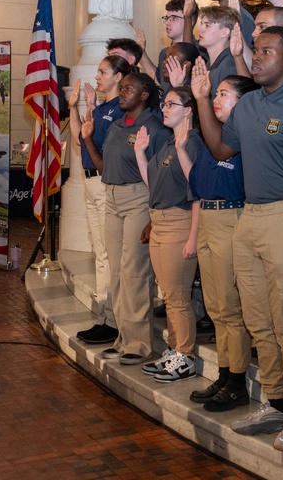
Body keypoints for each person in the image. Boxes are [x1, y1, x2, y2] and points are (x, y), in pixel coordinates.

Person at [192, 27, 283, 453]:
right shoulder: (249, 106)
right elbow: (222, 151)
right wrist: (203, 99)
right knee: (258, 320)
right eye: (255, 51)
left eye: (266, 51)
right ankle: (275, 402)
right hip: (251, 216)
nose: (256, 58)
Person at [81, 72, 169, 366]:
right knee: (117, 271)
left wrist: (154, 216)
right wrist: (89, 140)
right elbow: (105, 168)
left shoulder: (154, 127)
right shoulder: (118, 126)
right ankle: (123, 338)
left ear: (144, 95)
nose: (122, 92)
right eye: (122, 88)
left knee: (135, 272)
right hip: (112, 197)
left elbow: (161, 176)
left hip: (138, 200)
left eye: (129, 88)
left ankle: (140, 344)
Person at [181, 74, 258, 412]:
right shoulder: (211, 140)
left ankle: (238, 382)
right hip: (210, 217)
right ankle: (225, 374)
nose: (217, 98)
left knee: (231, 306)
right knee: (215, 306)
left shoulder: (243, 139)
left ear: (243, 102)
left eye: (224, 94)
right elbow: (197, 182)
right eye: (217, 92)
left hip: (233, 217)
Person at [134, 86, 202, 383]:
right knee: (169, 293)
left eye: (171, 103)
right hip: (159, 221)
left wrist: (193, 237)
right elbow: (155, 185)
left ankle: (185, 356)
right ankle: (174, 350)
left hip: (179, 222)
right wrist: (139, 154)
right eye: (164, 103)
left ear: (188, 110)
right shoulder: (166, 143)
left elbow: (198, 192)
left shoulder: (194, 143)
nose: (163, 107)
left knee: (177, 296)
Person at [69, 55, 135, 345]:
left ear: (118, 77)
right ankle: (105, 316)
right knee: (100, 252)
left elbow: (107, 148)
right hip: (89, 180)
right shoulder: (103, 107)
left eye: (102, 71)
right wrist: (76, 108)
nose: (97, 76)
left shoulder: (119, 109)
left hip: (104, 181)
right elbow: (79, 140)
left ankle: (111, 319)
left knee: (108, 254)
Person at [138, 0, 185, 84]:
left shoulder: (198, 51)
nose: (167, 22)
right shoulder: (164, 53)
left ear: (190, 21)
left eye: (174, 18)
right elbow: (159, 81)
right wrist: (142, 52)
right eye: (167, 18)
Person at [196, 6, 240, 96]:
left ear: (224, 32)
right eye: (201, 24)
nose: (200, 29)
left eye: (207, 25)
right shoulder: (210, 63)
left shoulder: (229, 66)